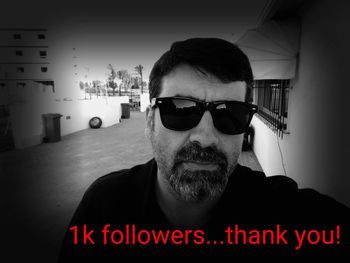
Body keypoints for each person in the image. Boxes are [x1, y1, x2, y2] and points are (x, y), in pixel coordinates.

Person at [58, 38, 350, 261]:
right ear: (150, 121)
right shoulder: (105, 208)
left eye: (230, 114)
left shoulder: (285, 216)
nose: (205, 138)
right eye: (180, 110)